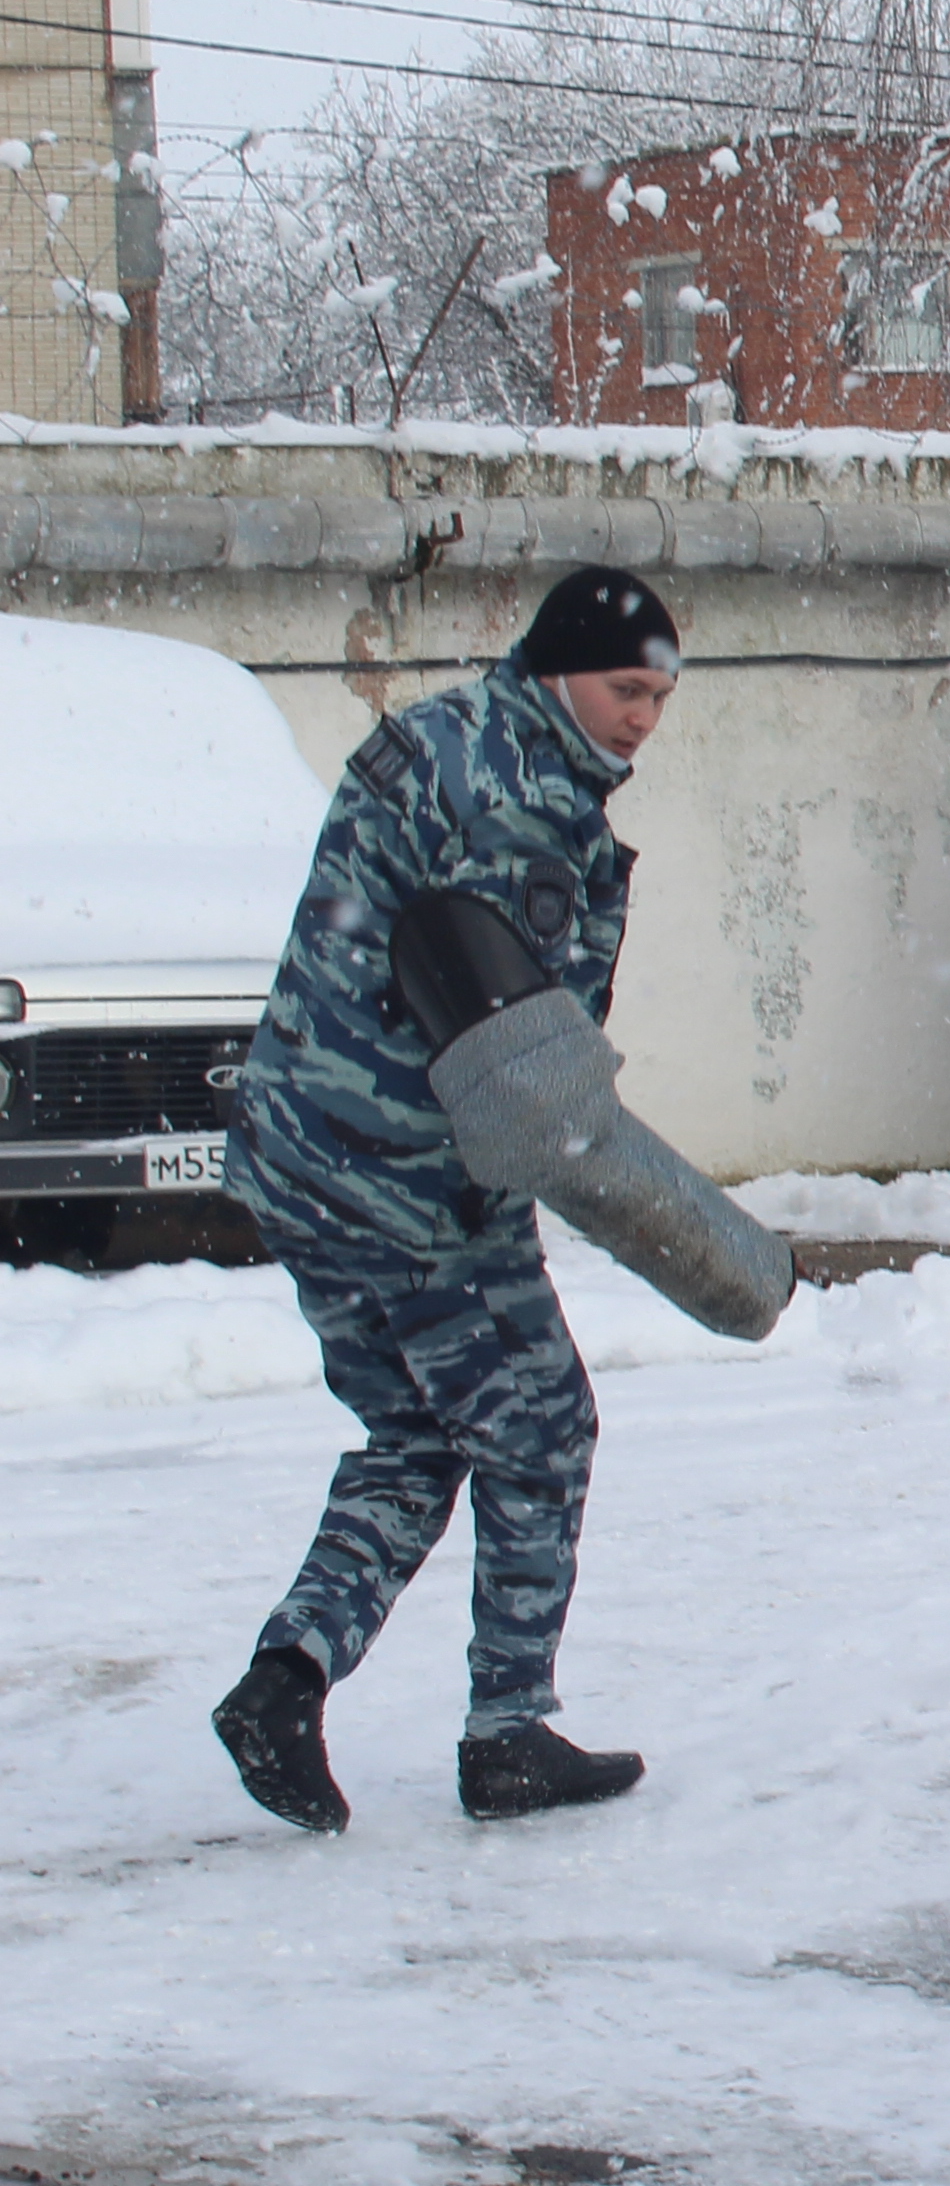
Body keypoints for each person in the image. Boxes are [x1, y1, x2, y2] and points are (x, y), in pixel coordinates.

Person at [211, 567, 683, 1833]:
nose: (642, 717)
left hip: (297, 1152)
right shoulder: (527, 806)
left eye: (659, 697)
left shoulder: (435, 737)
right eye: (624, 688)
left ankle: (285, 1681)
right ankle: (509, 1730)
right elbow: (519, 1059)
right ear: (558, 668)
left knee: (416, 1438)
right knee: (541, 1430)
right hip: (411, 1187)